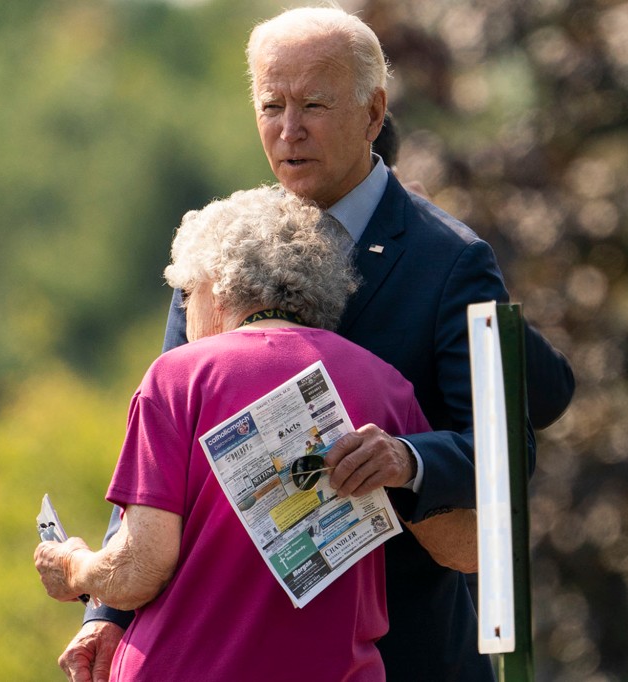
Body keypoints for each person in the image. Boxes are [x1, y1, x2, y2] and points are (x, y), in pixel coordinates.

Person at [61, 7, 574, 682]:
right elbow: (160, 463)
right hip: (229, 650)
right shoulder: (224, 249)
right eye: (271, 106)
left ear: (372, 112)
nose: (289, 130)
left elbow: (504, 452)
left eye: (314, 105)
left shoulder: (446, 259)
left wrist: (405, 459)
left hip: (398, 650)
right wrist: (107, 611)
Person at [35, 185, 431, 680]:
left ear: (217, 285)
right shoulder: (386, 384)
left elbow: (138, 570)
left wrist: (73, 567)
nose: (185, 314)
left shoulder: (179, 376)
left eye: (186, 294)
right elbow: (456, 541)